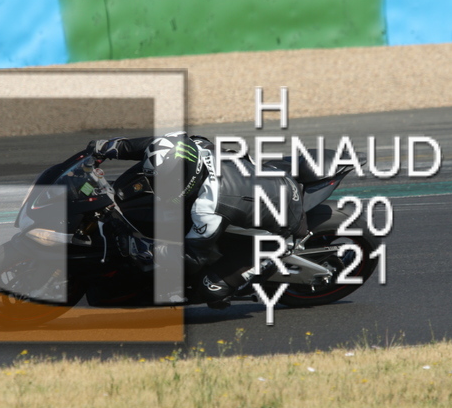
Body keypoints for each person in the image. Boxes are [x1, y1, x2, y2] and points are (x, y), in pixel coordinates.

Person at [88, 132, 307, 309]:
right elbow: (156, 146)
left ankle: (261, 269)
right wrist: (110, 147)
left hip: (280, 229)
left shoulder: (208, 207)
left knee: (211, 289)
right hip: (264, 184)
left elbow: (193, 258)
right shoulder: (193, 147)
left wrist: (148, 251)